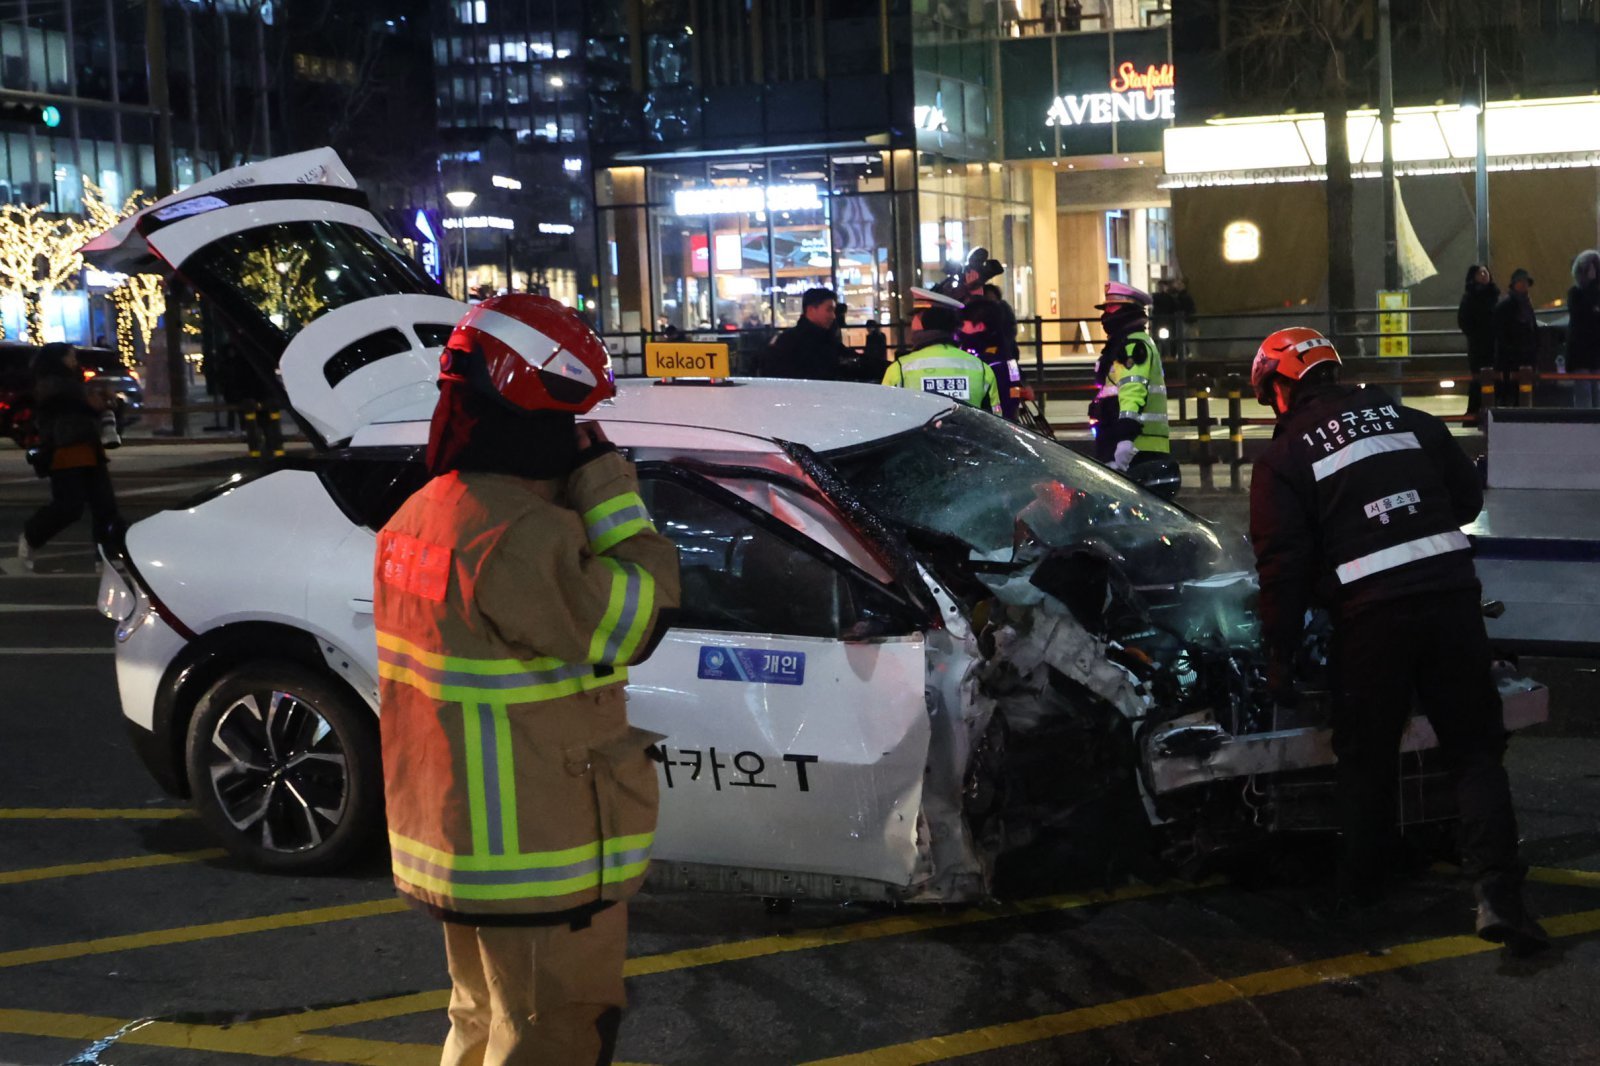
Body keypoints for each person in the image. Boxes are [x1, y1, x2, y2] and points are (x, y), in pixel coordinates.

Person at [373, 294, 682, 1065]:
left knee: (481, 1024)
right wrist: (608, 487)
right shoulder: (517, 536)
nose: (583, 437)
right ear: (535, 417)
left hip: (463, 846)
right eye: (574, 422)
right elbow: (638, 618)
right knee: (550, 1035)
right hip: (538, 858)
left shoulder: (422, 514)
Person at [1248, 327, 1548, 953]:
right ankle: (1500, 895)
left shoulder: (1284, 457)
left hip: (1370, 621)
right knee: (1474, 750)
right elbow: (1464, 500)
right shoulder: (1410, 420)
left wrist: (1278, 653)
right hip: (1451, 600)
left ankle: (1362, 896)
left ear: (1281, 387)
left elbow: (1282, 567)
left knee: (1366, 757)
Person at [18, 343, 126, 570]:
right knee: (69, 507)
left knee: (105, 506)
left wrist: (107, 404)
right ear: (58, 360)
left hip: (89, 449)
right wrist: (97, 403)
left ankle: (107, 555)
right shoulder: (51, 385)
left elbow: (88, 407)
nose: (75, 360)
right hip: (66, 451)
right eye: (71, 356)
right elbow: (71, 405)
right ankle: (31, 535)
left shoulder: (72, 384)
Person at [1087, 282, 1172, 478]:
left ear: (1128, 310)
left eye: (1112, 307)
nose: (1106, 314)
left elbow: (1133, 390)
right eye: (1105, 308)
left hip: (1136, 445)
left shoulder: (1133, 345)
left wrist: (1125, 438)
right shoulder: (1124, 343)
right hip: (1130, 442)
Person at [884, 299, 1000, 413]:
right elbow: (995, 420)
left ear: (923, 323)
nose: (912, 324)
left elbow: (884, 416)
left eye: (915, 317)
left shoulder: (899, 369)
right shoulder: (982, 369)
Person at [763, 287, 852, 380]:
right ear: (811, 310)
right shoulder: (791, 341)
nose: (833, 316)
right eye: (829, 310)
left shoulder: (827, 337)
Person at [958, 297, 1025, 421]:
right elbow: (1015, 390)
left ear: (979, 326)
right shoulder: (1006, 353)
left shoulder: (985, 359)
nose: (960, 329)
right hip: (1005, 422)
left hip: (987, 422)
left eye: (963, 324)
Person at [1457, 264, 1499, 426]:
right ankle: (1474, 416)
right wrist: (1477, 333)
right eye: (1480, 273)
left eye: (1485, 272)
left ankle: (1491, 413)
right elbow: (1463, 321)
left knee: (1493, 379)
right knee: (1478, 380)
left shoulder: (1495, 295)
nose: (1483, 275)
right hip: (1478, 346)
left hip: (1494, 345)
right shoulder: (1469, 297)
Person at [1492, 268, 1538, 409]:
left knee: (1523, 394)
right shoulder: (1505, 306)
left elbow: (1533, 329)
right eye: (1520, 281)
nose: (1523, 285)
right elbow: (1500, 333)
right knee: (1510, 394)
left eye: (1525, 282)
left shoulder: (1527, 304)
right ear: (1514, 284)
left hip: (1525, 356)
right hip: (1510, 359)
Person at [1566, 250, 1600, 409]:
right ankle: (1583, 422)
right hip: (1581, 353)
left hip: (1595, 352)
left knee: (1597, 392)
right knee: (1584, 393)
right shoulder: (1575, 293)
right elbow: (1583, 314)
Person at [1151, 276, 1197, 362]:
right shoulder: (1173, 297)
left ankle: (1171, 356)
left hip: (1168, 321)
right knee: (1177, 340)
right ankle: (1177, 356)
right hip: (1168, 321)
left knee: (1174, 340)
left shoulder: (1173, 297)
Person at [859, 319, 890, 383]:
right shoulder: (882, 335)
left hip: (873, 360)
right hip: (880, 360)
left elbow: (869, 349)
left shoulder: (870, 337)